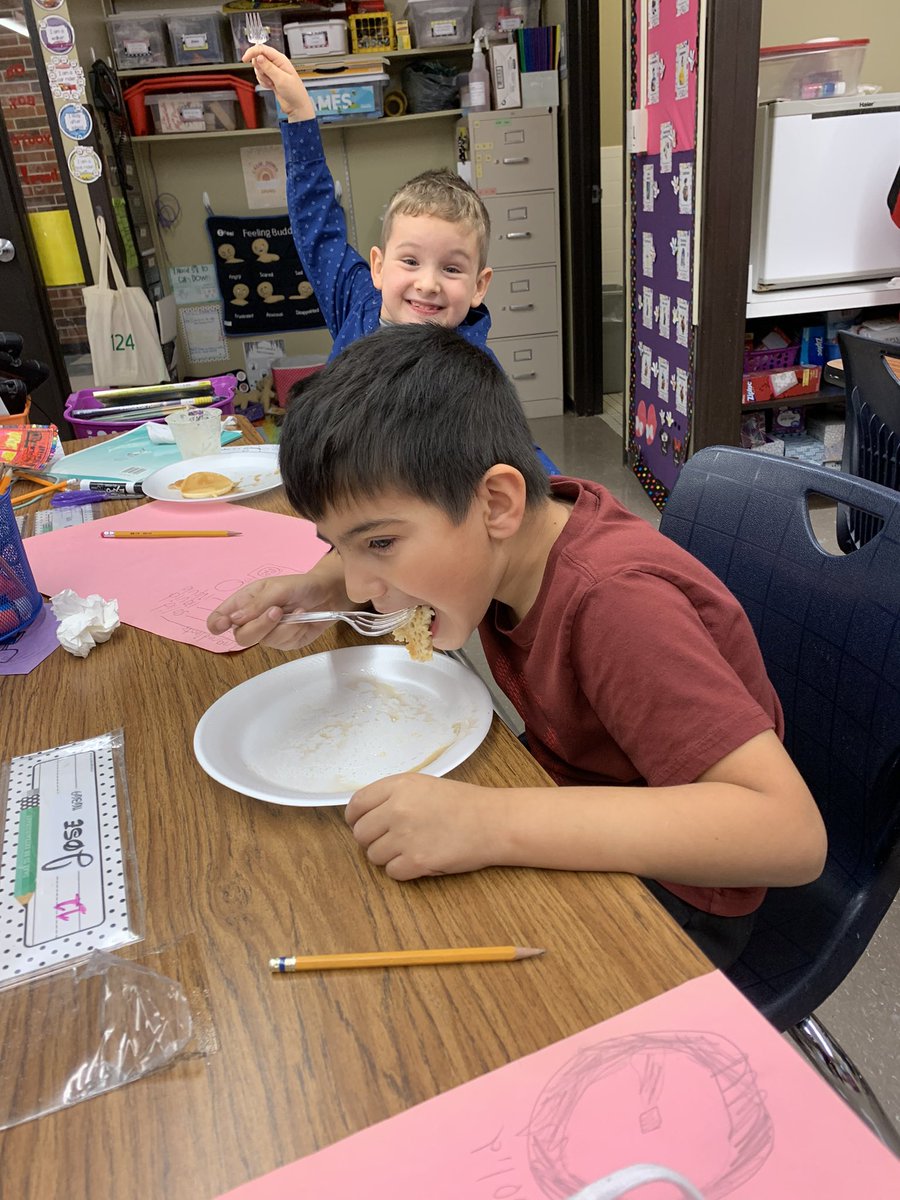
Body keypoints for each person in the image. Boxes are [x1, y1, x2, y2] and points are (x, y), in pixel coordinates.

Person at [207, 325, 827, 968]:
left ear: (495, 502)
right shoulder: (518, 531)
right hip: (563, 792)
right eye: (341, 546)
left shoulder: (615, 605)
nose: (361, 584)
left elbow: (787, 833)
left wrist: (487, 825)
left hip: (675, 897)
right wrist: (315, 587)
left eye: (380, 545)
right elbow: (405, 547)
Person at [242, 43, 494, 357]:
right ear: (378, 267)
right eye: (411, 261)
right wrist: (299, 114)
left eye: (452, 269)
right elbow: (319, 233)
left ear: (479, 287)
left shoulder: (479, 377)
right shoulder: (357, 304)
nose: (428, 284)